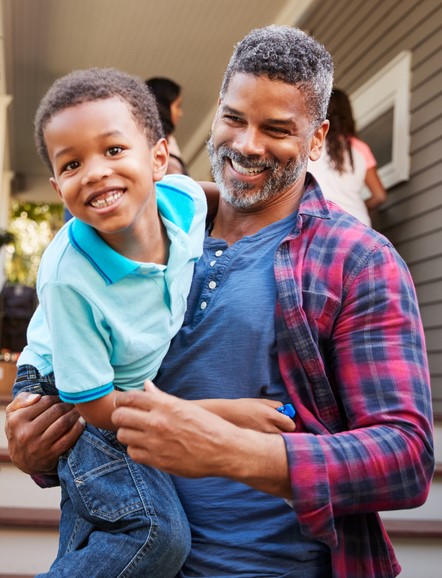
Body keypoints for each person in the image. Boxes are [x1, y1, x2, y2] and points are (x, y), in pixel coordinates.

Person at [6, 25, 434, 578]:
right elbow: (80, 389)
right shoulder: (126, 235)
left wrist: (230, 450)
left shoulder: (358, 261)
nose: (247, 144)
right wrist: (35, 444)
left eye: (277, 129)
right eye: (234, 118)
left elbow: (405, 459)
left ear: (318, 138)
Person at [12, 67, 294, 577]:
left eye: (114, 150)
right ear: (57, 187)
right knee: (154, 534)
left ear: (160, 157)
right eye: (73, 164)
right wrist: (226, 414)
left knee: (95, 540)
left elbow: (225, 204)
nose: (96, 171)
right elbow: (95, 408)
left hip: (118, 385)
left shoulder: (183, 200)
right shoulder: (70, 278)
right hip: (72, 388)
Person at [308, 87, 387, 226]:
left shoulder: (311, 142)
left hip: (319, 224)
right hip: (357, 225)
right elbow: (380, 196)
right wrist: (357, 207)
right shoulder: (361, 148)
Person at [146, 76, 187, 175]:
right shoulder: (150, 143)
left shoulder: (171, 140)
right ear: (163, 106)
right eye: (177, 106)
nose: (180, 113)